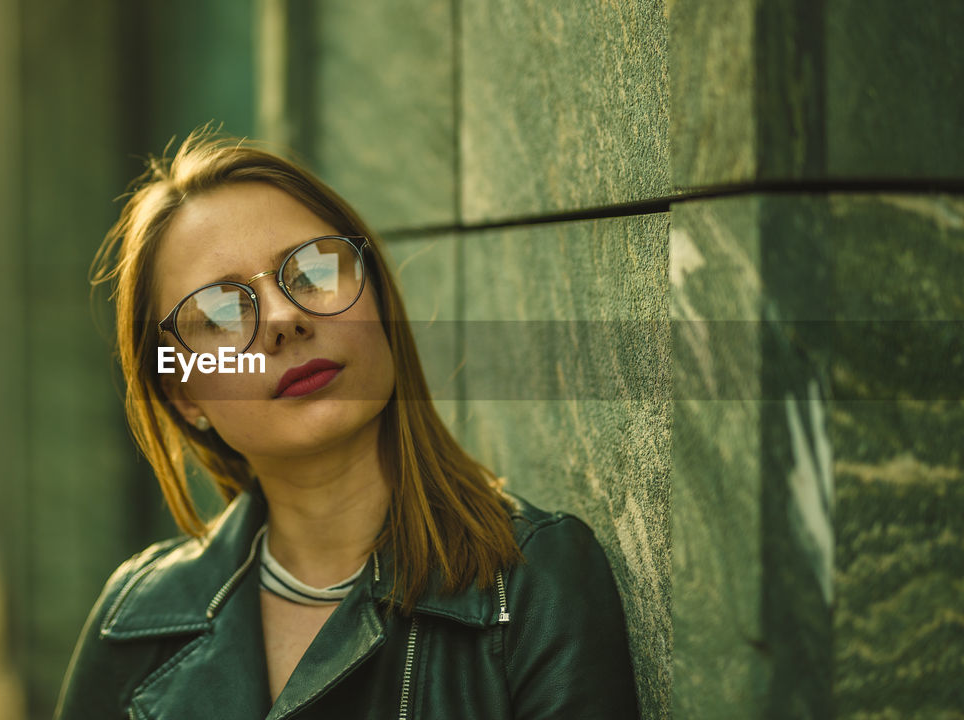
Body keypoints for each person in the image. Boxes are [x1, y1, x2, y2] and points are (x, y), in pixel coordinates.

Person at [54, 129, 640, 719]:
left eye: (312, 271)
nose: (285, 318)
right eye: (221, 310)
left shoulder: (535, 585)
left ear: (378, 301)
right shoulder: (133, 623)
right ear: (184, 394)